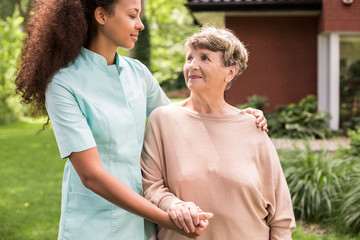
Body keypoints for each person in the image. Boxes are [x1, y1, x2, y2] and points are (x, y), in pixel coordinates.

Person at [15, 1, 268, 239]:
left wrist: (233, 116)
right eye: (132, 15)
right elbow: (90, 175)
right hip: (92, 224)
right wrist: (168, 220)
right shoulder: (63, 84)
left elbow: (179, 119)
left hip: (141, 225)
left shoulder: (137, 73)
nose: (141, 24)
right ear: (102, 16)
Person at [141, 26, 296, 240]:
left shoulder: (253, 127)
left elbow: (281, 215)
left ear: (230, 71)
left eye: (204, 58)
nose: (192, 65)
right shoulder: (163, 120)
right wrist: (174, 205)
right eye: (189, 58)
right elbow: (150, 186)